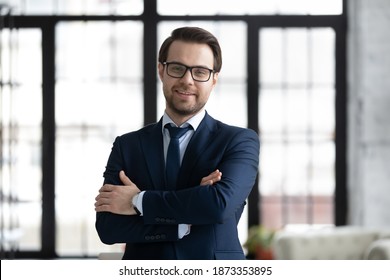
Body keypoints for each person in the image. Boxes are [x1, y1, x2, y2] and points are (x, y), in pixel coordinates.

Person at [94, 26, 260, 260]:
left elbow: (218, 206)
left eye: (200, 71)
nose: (187, 80)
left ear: (214, 79)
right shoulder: (127, 146)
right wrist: (185, 220)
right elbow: (108, 228)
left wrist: (137, 200)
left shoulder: (239, 141)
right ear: (161, 70)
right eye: (177, 68)